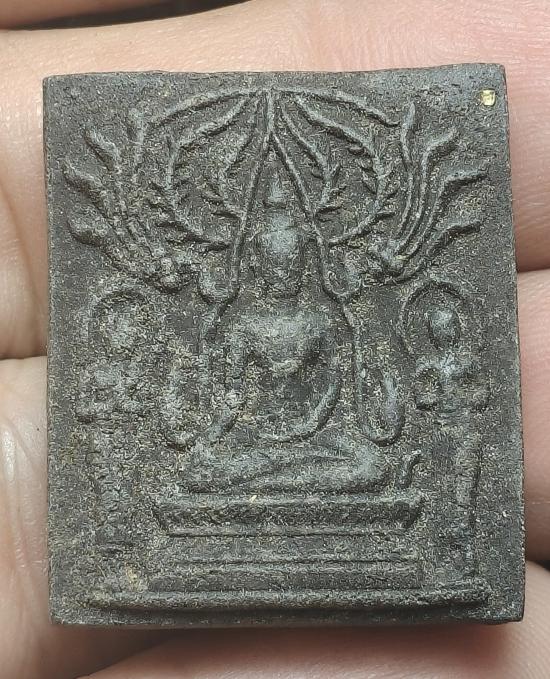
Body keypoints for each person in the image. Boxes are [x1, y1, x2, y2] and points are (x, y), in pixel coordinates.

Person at [0, 1, 549, 677]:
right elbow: (207, 424)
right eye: (271, 258)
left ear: (307, 256)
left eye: (293, 258)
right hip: (249, 456)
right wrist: (211, 382)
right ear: (255, 259)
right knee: (203, 472)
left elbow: (375, 425)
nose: (282, 269)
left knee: (367, 469)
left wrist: (362, 330)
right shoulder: (236, 322)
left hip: (326, 453)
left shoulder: (329, 320)